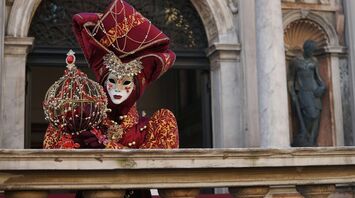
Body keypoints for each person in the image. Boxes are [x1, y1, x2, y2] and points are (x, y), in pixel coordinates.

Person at [43, 1, 179, 197]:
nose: (117, 89)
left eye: (126, 83)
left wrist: (107, 144)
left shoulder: (155, 125)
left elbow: (157, 168)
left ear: (137, 88)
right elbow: (53, 159)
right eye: (112, 81)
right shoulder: (85, 122)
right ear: (103, 84)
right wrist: (75, 137)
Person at [288, 40, 326, 147]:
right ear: (305, 49)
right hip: (303, 92)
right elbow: (291, 79)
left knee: (315, 117)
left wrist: (322, 87)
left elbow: (318, 78)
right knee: (309, 115)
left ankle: (311, 141)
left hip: (314, 91)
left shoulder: (314, 61)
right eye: (311, 50)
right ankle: (303, 135)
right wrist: (292, 93)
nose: (312, 53)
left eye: (313, 51)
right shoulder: (295, 62)